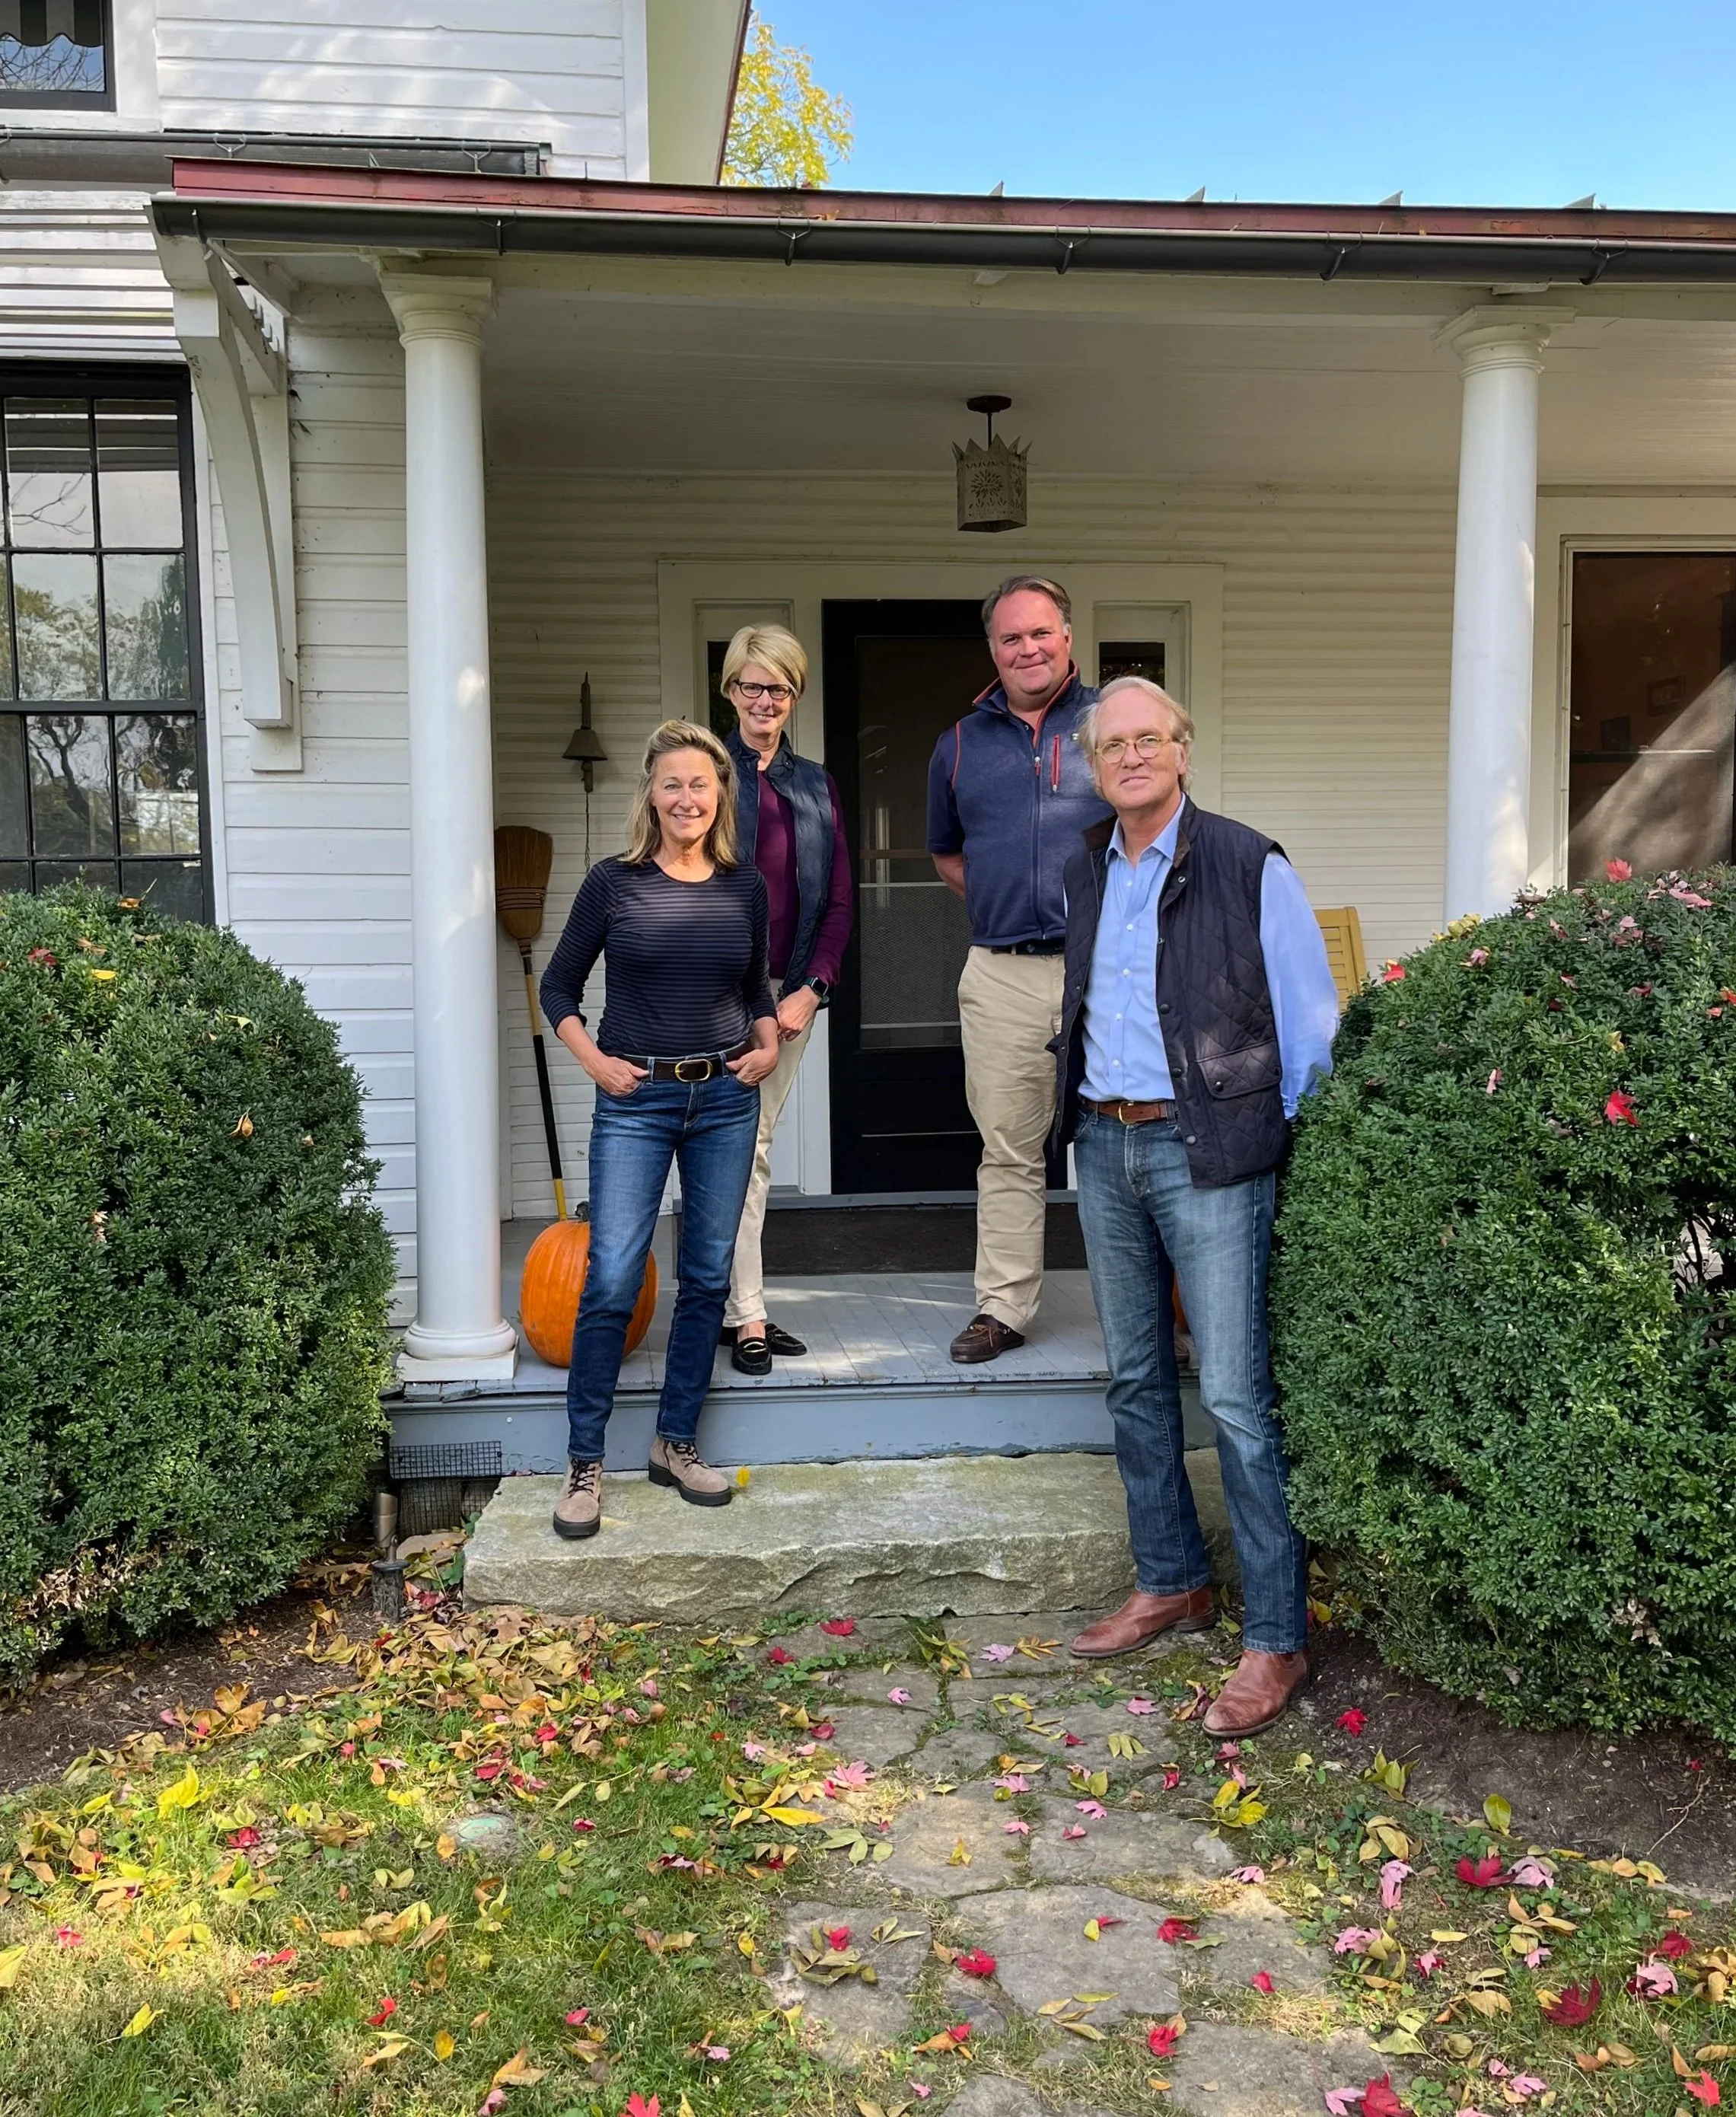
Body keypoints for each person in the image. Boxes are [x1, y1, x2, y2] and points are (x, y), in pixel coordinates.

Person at [1052, 675, 1340, 1736]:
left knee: (1231, 1393)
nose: (1129, 756)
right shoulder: (1086, 864)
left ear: (1180, 749)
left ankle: (1276, 1638)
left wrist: (1299, 1157)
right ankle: (1171, 1577)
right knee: (1134, 1377)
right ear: (1093, 765)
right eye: (1110, 745)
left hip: (1205, 1147)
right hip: (1101, 1136)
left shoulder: (1246, 862)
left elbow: (1309, 1025)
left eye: (1147, 739)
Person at [539, 719, 780, 1540]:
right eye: (671, 783)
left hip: (723, 1099)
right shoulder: (614, 883)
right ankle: (583, 1464)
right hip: (635, 1099)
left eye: (700, 785)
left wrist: (770, 1037)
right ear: (651, 792)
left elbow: (754, 988)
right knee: (609, 1278)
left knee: (707, 1280)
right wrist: (594, 1063)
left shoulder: (743, 886)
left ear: (720, 797)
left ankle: (674, 1444)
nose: (686, 798)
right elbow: (558, 988)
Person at [926, 575, 1111, 1363]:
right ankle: (1003, 1307)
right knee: (1007, 1147)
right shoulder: (960, 743)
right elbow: (947, 854)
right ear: (992, 650)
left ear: (1067, 637)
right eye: (1010, 638)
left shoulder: (1113, 723)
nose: (1027, 649)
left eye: (1041, 633)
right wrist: (1015, 899)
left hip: (1109, 970)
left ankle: (1148, 1308)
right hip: (1001, 974)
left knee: (1129, 1142)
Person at [718, 625, 854, 1376]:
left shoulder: (815, 785)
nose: (764, 699)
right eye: (751, 685)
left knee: (750, 1147)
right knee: (729, 1147)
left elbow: (837, 899)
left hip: (787, 993)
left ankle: (741, 1309)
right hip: (709, 992)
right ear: (730, 690)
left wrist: (811, 988)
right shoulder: (702, 772)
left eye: (779, 687)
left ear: (794, 696)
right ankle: (744, 1311)